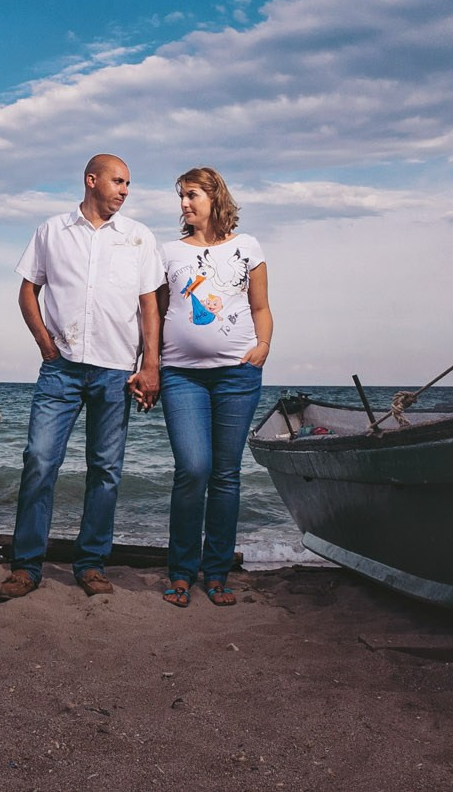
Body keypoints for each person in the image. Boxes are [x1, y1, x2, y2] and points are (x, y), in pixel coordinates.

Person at [0, 153, 164, 601]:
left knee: (105, 470)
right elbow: (27, 290)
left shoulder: (139, 238)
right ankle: (26, 566)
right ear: (91, 181)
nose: (125, 190)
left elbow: (150, 304)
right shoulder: (52, 231)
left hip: (115, 371)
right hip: (61, 369)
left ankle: (90, 564)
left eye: (128, 183)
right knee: (39, 460)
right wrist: (44, 343)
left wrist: (151, 366)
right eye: (118, 181)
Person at [155, 166, 271, 608]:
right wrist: (150, 364)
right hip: (181, 376)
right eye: (181, 196)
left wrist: (263, 346)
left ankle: (217, 573)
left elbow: (260, 306)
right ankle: (182, 571)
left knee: (225, 476)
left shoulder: (248, 248)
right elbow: (159, 313)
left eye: (192, 195)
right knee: (193, 469)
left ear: (214, 197)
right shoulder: (169, 253)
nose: (184, 204)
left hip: (238, 377)